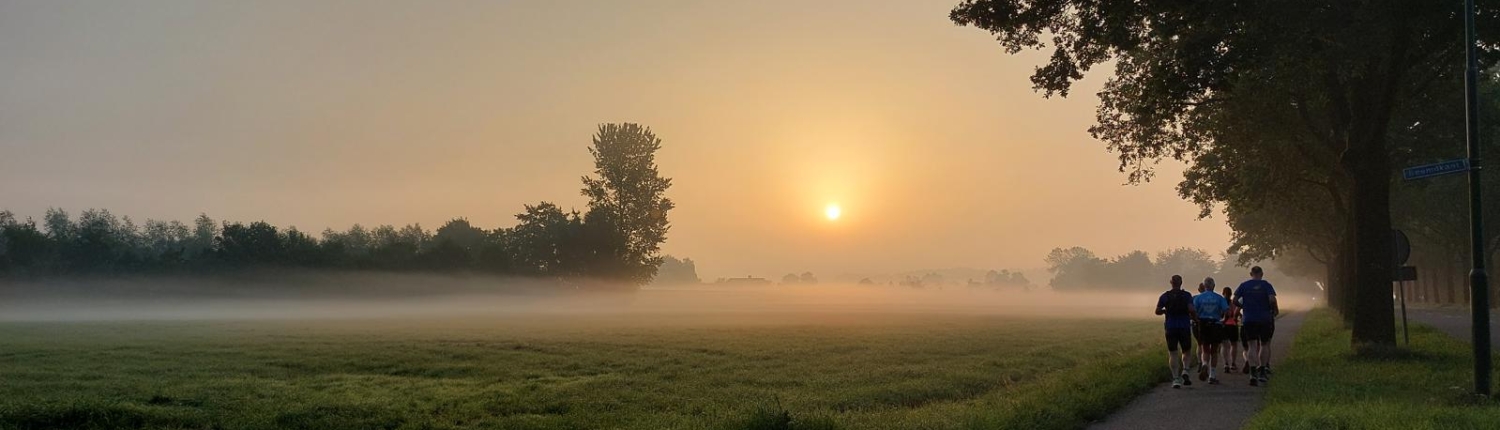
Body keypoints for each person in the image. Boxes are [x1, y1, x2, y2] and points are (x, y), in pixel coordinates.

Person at [1234, 266, 1278, 386]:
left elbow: (1235, 300)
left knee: (1251, 345)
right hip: (1264, 318)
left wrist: (1244, 306)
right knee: (1264, 344)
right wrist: (1271, 309)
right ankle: (1262, 371)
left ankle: (1252, 373)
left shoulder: (1244, 285)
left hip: (1249, 319)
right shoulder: (1266, 285)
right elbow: (1272, 300)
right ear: (1262, 274)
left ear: (1251, 273)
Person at [1155, 275, 1195, 388]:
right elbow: (1191, 309)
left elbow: (1157, 311)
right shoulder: (1187, 295)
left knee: (1173, 353)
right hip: (1184, 326)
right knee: (1186, 351)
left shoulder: (1165, 296)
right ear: (1181, 282)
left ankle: (1175, 378)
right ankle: (1186, 371)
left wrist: (1164, 311)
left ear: (1170, 282)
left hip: (1170, 327)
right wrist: (1196, 319)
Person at [1192, 277, 1229, 385]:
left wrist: (1196, 319)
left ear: (1204, 286)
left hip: (1203, 324)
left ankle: (1204, 364)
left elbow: (1193, 310)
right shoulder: (1219, 298)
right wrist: (1224, 320)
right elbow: (1227, 311)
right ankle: (1212, 375)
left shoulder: (1198, 298)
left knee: (1205, 348)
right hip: (1215, 324)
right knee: (1214, 351)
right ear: (1213, 285)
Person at [1220, 286, 1244, 374]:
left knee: (1224, 346)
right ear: (1231, 294)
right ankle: (1233, 363)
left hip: (1223, 325)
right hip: (1233, 325)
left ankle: (1226, 363)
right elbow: (1238, 314)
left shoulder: (1221, 303)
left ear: (1223, 293)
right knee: (1234, 345)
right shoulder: (1233, 303)